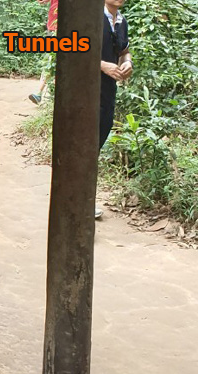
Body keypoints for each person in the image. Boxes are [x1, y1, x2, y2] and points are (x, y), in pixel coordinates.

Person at [97, 0, 132, 218]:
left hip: (107, 92)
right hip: (83, 91)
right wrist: (101, 65)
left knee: (96, 145)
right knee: (82, 145)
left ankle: (85, 199)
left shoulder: (121, 21)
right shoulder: (90, 19)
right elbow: (69, 50)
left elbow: (124, 50)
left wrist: (127, 62)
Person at [29, 0, 59, 105]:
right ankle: (40, 93)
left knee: (55, 61)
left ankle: (42, 93)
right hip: (52, 28)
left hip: (64, 29)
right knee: (50, 60)